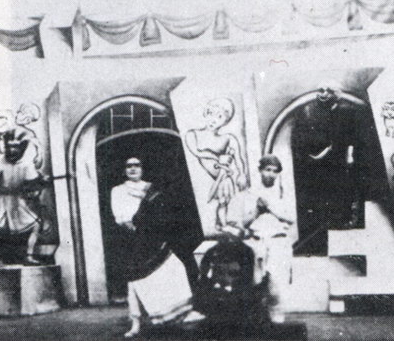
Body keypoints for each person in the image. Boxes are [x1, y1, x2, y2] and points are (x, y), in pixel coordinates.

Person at [110, 157, 204, 338]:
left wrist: (152, 228)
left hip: (153, 238)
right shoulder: (118, 190)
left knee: (174, 268)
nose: (133, 169)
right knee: (135, 282)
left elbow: (160, 213)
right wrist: (134, 226)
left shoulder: (150, 189)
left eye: (137, 165)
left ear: (142, 169)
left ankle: (178, 314)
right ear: (124, 170)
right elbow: (119, 216)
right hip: (132, 239)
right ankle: (136, 322)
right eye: (128, 166)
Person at [0, 126, 49, 266]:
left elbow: (32, 183)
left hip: (17, 201)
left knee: (36, 225)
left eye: (15, 147)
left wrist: (41, 180)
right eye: (9, 147)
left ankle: (29, 256)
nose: (12, 150)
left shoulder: (27, 165)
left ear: (21, 148)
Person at [241, 154, 295, 324]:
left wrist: (270, 207)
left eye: (274, 171)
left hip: (278, 242)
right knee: (254, 285)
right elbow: (244, 221)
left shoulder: (283, 192)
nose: (271, 174)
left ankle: (277, 325)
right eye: (267, 170)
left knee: (276, 287)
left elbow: (290, 218)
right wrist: (257, 210)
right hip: (256, 241)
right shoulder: (251, 193)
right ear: (260, 170)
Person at [185, 98, 249, 231]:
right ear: (205, 113)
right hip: (207, 179)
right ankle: (221, 225)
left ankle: (222, 224)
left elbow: (238, 158)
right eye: (211, 113)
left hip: (224, 177)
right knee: (214, 201)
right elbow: (197, 152)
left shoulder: (228, 138)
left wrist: (242, 174)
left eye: (219, 117)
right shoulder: (192, 134)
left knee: (223, 201)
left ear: (226, 121)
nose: (213, 120)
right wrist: (218, 158)